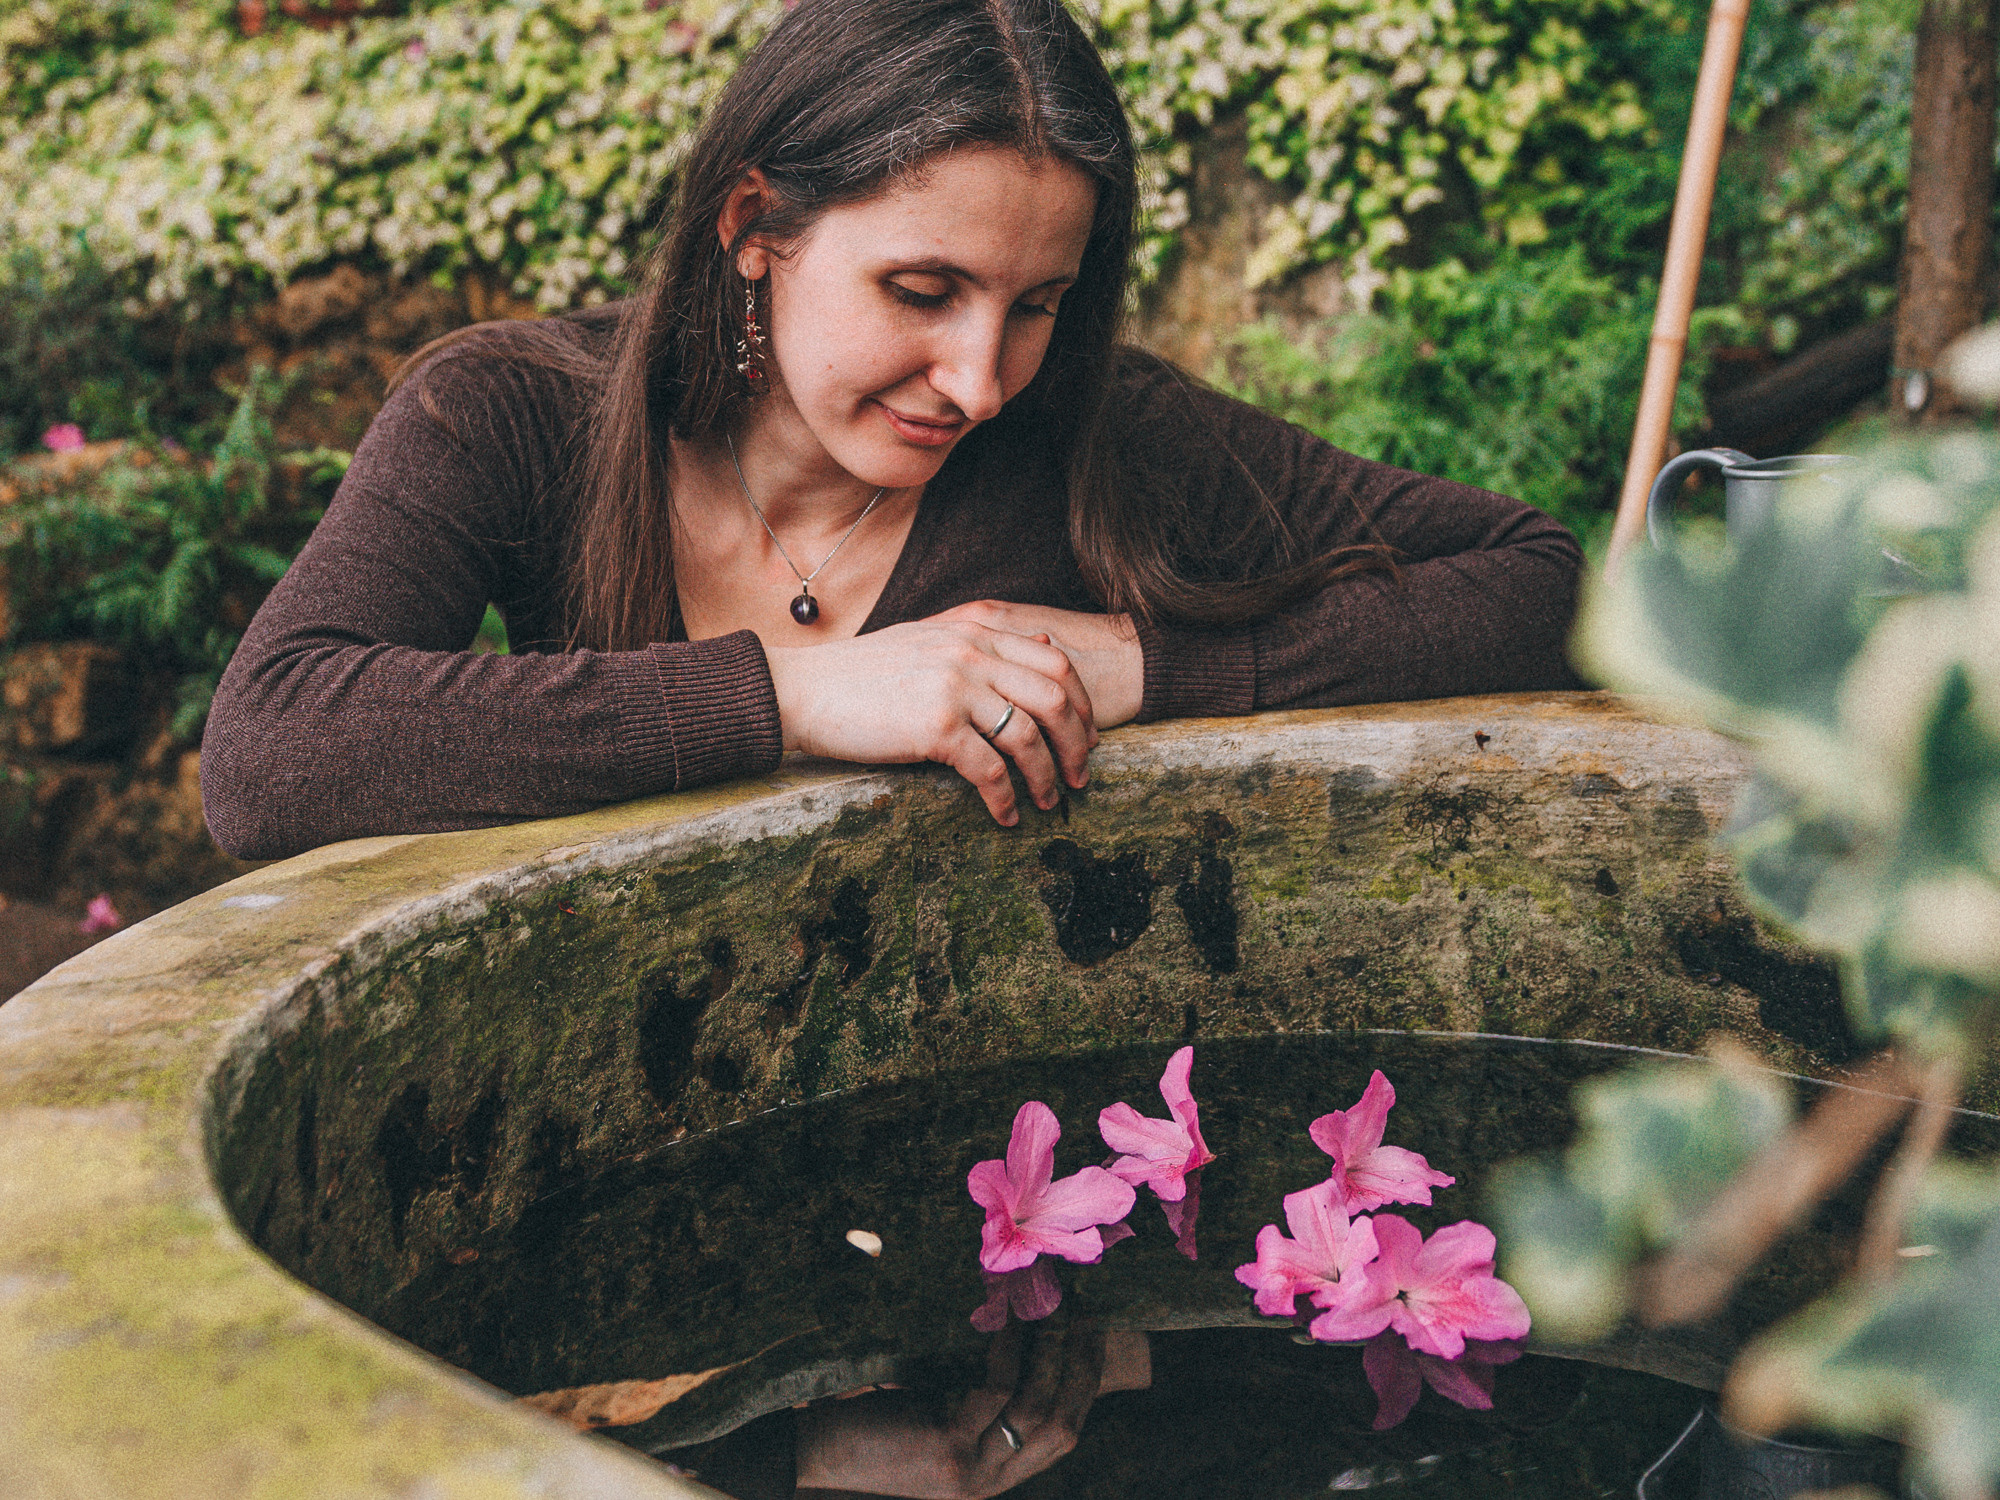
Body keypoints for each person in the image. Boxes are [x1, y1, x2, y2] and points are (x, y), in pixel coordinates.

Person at [199, 0, 1583, 863]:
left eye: (1038, 304)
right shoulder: (506, 412)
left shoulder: (1091, 431)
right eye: (923, 292)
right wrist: (795, 697)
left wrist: (1137, 663)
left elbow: (1538, 578)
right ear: (755, 230)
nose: (981, 381)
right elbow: (269, 753)